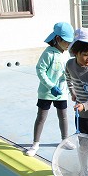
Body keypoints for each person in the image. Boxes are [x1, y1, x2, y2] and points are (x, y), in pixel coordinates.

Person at [26, 22, 75, 157]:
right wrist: (51, 86)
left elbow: (68, 71)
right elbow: (40, 70)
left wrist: (71, 85)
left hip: (62, 92)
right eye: (67, 42)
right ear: (58, 39)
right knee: (41, 117)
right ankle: (35, 143)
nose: (69, 45)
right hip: (46, 92)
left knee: (63, 116)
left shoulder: (66, 54)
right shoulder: (48, 54)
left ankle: (65, 139)